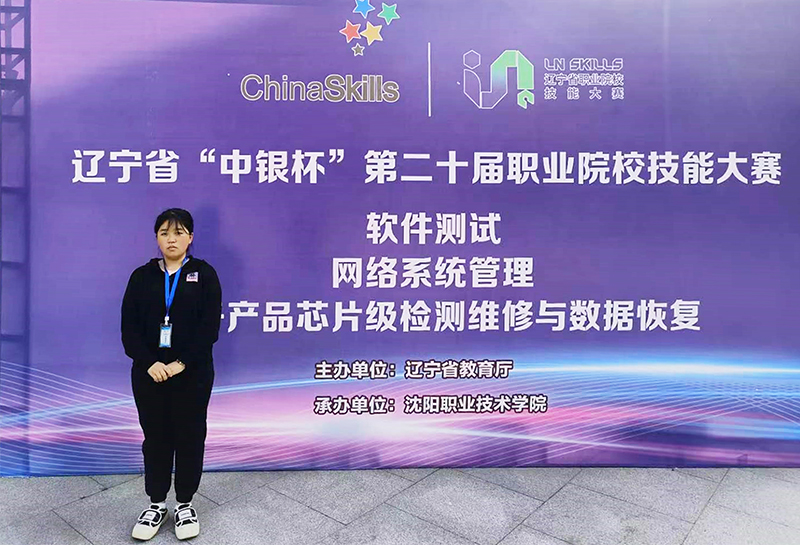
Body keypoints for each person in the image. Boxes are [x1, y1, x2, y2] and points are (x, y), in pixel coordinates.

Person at [121, 208, 222, 541]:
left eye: (178, 233)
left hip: (192, 374)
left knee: (190, 436)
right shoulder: (141, 276)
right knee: (155, 439)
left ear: (190, 238)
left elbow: (209, 328)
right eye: (164, 233)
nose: (171, 239)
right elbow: (129, 329)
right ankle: (156, 503)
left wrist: (181, 363)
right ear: (157, 238)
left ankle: (185, 504)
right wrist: (150, 363)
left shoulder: (204, 274)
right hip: (149, 374)